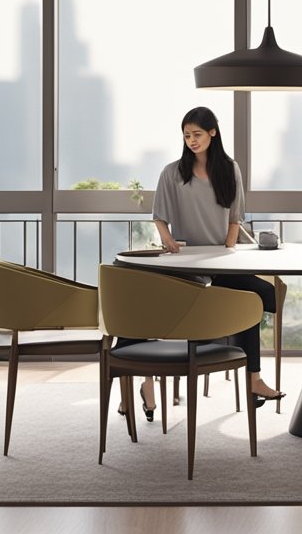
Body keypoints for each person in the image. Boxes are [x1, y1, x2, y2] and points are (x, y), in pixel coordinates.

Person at [119, 106, 283, 420]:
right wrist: (167, 239)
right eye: (186, 136)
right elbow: (159, 216)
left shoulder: (229, 169)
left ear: (212, 133)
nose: (191, 141)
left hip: (221, 260)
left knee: (254, 298)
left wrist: (228, 247)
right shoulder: (172, 172)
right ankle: (144, 381)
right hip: (185, 261)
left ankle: (254, 379)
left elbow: (235, 217)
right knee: (143, 299)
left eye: (196, 134)